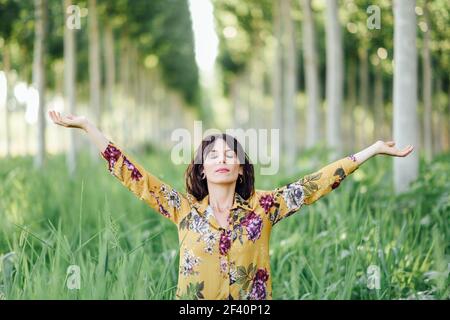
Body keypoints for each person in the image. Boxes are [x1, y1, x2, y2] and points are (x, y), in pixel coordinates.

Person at [48, 110, 414, 300]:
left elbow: (315, 184)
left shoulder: (264, 208)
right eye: (213, 156)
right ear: (202, 170)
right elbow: (132, 174)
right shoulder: (183, 210)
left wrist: (372, 150)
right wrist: (87, 127)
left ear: (240, 169)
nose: (222, 159)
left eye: (230, 155)